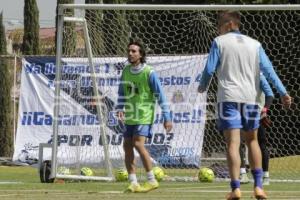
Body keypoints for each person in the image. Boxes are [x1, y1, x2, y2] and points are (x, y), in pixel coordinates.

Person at [198, 11, 292, 200]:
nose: (218, 29)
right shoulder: (255, 44)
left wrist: (202, 86)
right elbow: (269, 70)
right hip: (251, 99)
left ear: (229, 24)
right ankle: (258, 187)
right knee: (253, 141)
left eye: (220, 25)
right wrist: (283, 92)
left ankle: (236, 189)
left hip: (229, 97)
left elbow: (209, 69)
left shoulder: (219, 42)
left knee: (232, 143)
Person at [116, 40, 173, 193]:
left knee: (138, 144)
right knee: (127, 145)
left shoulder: (149, 72)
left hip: (144, 115)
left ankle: (151, 179)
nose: (130, 53)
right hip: (130, 115)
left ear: (141, 54)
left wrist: (167, 117)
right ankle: (133, 181)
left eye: (134, 51)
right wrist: (119, 107)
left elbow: (160, 95)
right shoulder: (126, 71)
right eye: (129, 51)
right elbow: (122, 92)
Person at [239, 74, 274, 185]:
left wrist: (265, 109)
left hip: (258, 115)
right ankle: (243, 173)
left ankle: (265, 176)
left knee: (261, 144)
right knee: (238, 143)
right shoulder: (240, 76)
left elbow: (270, 95)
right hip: (242, 114)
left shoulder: (259, 76)